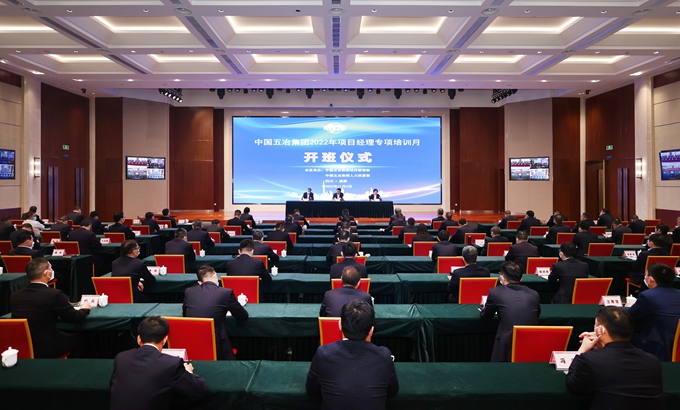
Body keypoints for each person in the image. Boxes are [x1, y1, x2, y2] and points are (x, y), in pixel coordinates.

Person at [306, 300, 399, 409]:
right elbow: (392, 392)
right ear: (371, 331)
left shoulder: (323, 353)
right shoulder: (384, 356)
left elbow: (311, 390)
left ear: (340, 325)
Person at [565, 307, 664, 409]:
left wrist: (581, 351)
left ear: (600, 330)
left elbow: (573, 385)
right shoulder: (653, 361)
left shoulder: (590, 359)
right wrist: (604, 347)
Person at [109, 316, 209, 410]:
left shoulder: (121, 358)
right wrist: (188, 372)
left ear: (139, 339)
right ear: (164, 340)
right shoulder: (171, 364)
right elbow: (199, 390)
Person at [10, 257, 90, 358]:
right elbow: (74, 317)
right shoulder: (54, 294)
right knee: (82, 338)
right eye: (51, 269)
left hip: (21, 346)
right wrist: (85, 308)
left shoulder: (15, 295)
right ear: (46, 273)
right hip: (46, 346)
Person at [183, 265, 249, 360]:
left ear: (200, 281)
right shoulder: (225, 292)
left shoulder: (189, 291)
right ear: (215, 274)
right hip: (217, 344)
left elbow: (185, 314)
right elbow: (243, 316)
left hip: (191, 342)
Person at [480, 261, 540, 362]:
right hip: (531, 341)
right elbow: (537, 314)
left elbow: (486, 316)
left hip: (506, 343)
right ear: (521, 278)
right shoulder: (534, 294)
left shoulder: (495, 292)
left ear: (502, 277)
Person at [625, 263, 680, 361]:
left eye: (646, 275)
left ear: (650, 279)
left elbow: (629, 315)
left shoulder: (648, 296)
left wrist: (624, 307)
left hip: (659, 346)